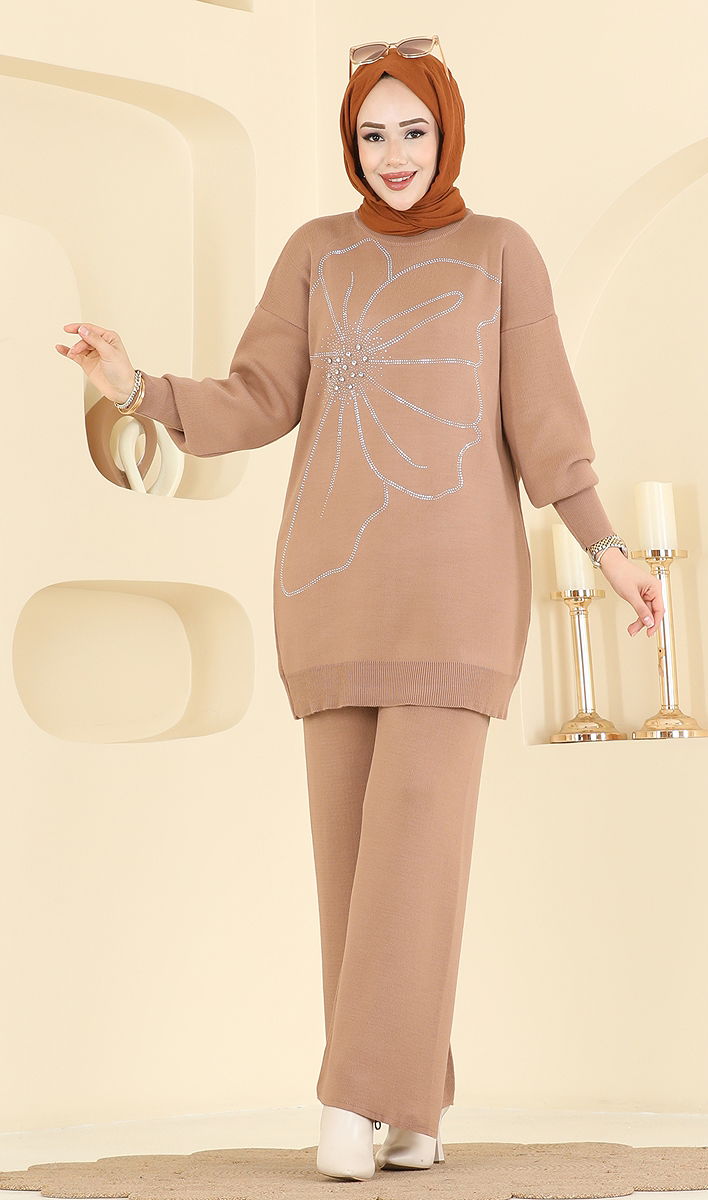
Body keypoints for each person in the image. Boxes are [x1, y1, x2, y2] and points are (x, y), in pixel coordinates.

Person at [55, 35, 664, 1183]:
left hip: (455, 601)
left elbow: (544, 426)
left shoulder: (499, 252)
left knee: (413, 859)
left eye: (411, 130)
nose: (392, 154)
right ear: (350, 142)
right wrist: (134, 387)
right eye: (371, 133)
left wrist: (610, 552)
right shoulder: (315, 254)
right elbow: (256, 400)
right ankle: (413, 1105)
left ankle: (351, 1103)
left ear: (446, 132)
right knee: (351, 871)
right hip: (326, 594)